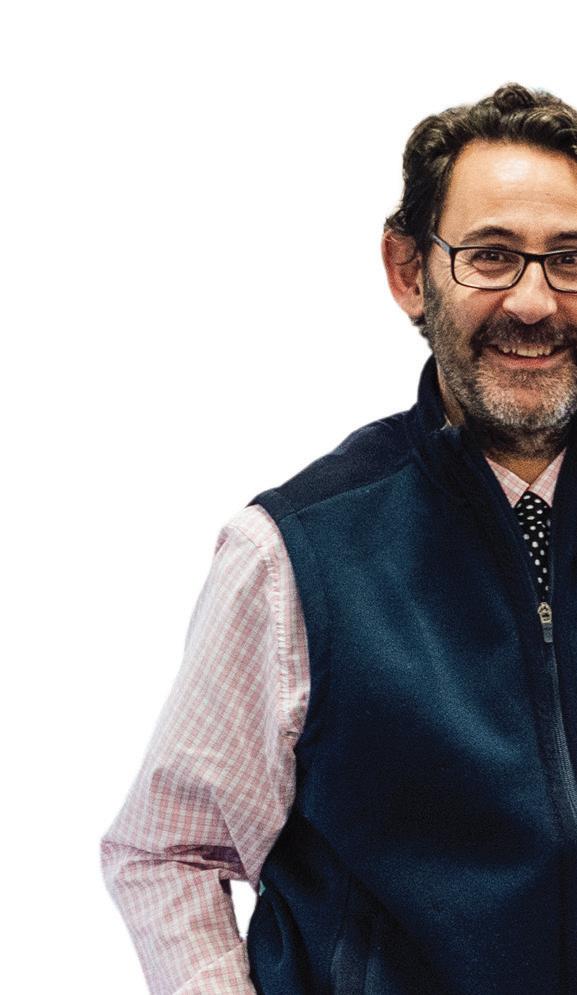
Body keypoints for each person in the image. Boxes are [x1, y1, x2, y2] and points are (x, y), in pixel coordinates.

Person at [100, 82, 577, 995]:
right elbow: (167, 850)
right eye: (489, 256)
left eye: (567, 258)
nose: (532, 300)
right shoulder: (293, 555)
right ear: (409, 271)